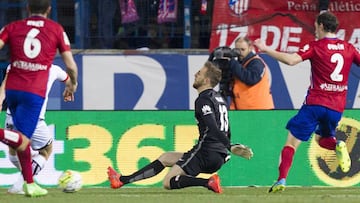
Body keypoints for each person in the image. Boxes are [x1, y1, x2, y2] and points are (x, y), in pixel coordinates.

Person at [253, 11, 360, 193]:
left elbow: (291, 60)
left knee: (291, 143)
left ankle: (281, 180)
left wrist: (266, 49)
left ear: (322, 26)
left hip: (315, 104)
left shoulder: (316, 46)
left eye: (316, 25)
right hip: (336, 107)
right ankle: (337, 145)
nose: (314, 29)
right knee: (322, 139)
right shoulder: (349, 48)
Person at [107, 61, 231, 193]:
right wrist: (225, 150)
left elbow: (212, 126)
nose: (195, 74)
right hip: (218, 155)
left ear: (206, 80)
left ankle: (208, 182)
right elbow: (226, 128)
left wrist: (230, 146)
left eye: (199, 73)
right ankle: (122, 180)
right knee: (166, 158)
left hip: (206, 152)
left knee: (168, 182)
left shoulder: (203, 100)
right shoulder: (219, 99)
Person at [0, 0, 78, 197]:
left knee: (18, 148)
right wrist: (72, 85)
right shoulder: (55, 31)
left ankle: (28, 183)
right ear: (49, 9)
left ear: (27, 8)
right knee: (37, 147)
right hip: (32, 94)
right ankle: (24, 183)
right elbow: (70, 68)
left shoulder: (13, 27)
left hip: (12, 93)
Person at [0, 64, 70, 194]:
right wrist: (69, 90)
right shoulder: (53, 69)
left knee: (14, 150)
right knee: (46, 151)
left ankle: (24, 179)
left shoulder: (15, 64)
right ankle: (22, 183)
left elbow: (4, 85)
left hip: (11, 116)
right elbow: (69, 79)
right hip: (33, 119)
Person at [228, 36, 274, 110]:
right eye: (237, 50)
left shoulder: (256, 62)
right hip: (245, 109)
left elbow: (251, 79)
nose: (240, 53)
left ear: (250, 48)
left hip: (260, 109)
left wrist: (232, 62)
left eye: (243, 49)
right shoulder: (239, 64)